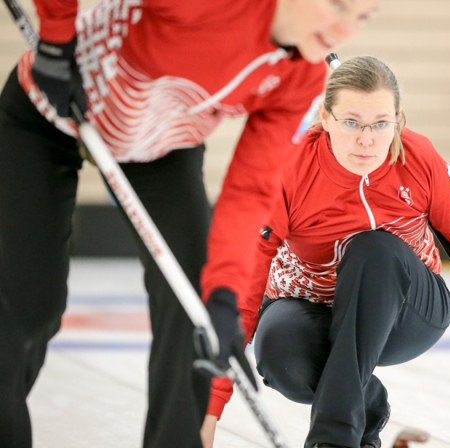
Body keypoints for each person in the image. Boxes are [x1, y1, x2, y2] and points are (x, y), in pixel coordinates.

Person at [0, 0, 379, 446]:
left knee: (196, 310)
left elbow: (251, 190)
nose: (346, 28)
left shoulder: (302, 79)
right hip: (51, 110)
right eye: (338, 5)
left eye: (363, 17)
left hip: (162, 142)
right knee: (28, 306)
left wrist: (224, 294)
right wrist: (56, 36)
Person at [200, 55, 450, 448]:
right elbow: (244, 285)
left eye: (380, 123)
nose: (366, 140)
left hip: (405, 310)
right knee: (281, 355)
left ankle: (332, 440)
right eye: (351, 122)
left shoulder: (418, 158)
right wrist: (208, 413)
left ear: (398, 119)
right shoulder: (291, 168)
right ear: (325, 117)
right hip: (310, 303)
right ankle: (366, 406)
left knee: (372, 247)